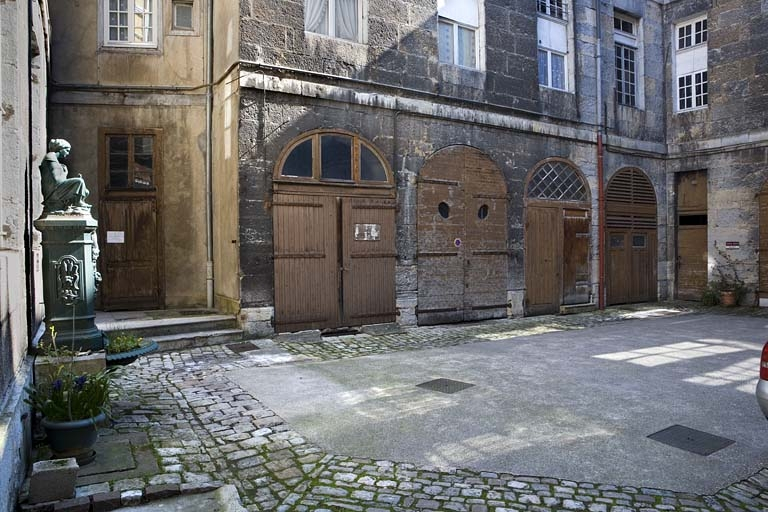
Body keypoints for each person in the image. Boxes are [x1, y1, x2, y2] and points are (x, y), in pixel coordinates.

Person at [40, 139, 90, 213]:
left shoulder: (56, 161)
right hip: (53, 191)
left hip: (57, 188)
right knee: (79, 182)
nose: (67, 153)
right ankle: (77, 202)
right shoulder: (50, 156)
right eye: (67, 150)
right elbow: (56, 180)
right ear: (60, 148)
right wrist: (73, 181)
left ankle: (75, 204)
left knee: (85, 191)